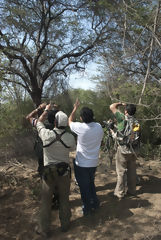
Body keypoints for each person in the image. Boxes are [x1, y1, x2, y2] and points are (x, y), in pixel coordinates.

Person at [26, 103, 76, 237]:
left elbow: (37, 122)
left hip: (48, 174)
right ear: (65, 124)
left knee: (46, 202)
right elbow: (72, 149)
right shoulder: (70, 138)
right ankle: (65, 225)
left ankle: (43, 229)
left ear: (54, 121)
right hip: (64, 173)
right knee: (64, 199)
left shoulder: (46, 134)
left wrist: (46, 109)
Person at [68, 99, 104, 216]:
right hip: (93, 163)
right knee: (91, 183)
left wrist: (75, 108)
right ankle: (95, 203)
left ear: (82, 118)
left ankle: (87, 208)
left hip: (82, 164)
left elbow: (69, 121)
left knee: (84, 187)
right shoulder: (98, 127)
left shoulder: (80, 127)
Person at [109, 102, 138, 200]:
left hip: (123, 150)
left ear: (125, 111)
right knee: (132, 171)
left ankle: (119, 193)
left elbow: (112, 106)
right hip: (134, 150)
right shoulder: (136, 122)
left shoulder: (121, 118)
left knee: (121, 171)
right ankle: (132, 191)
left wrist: (120, 103)